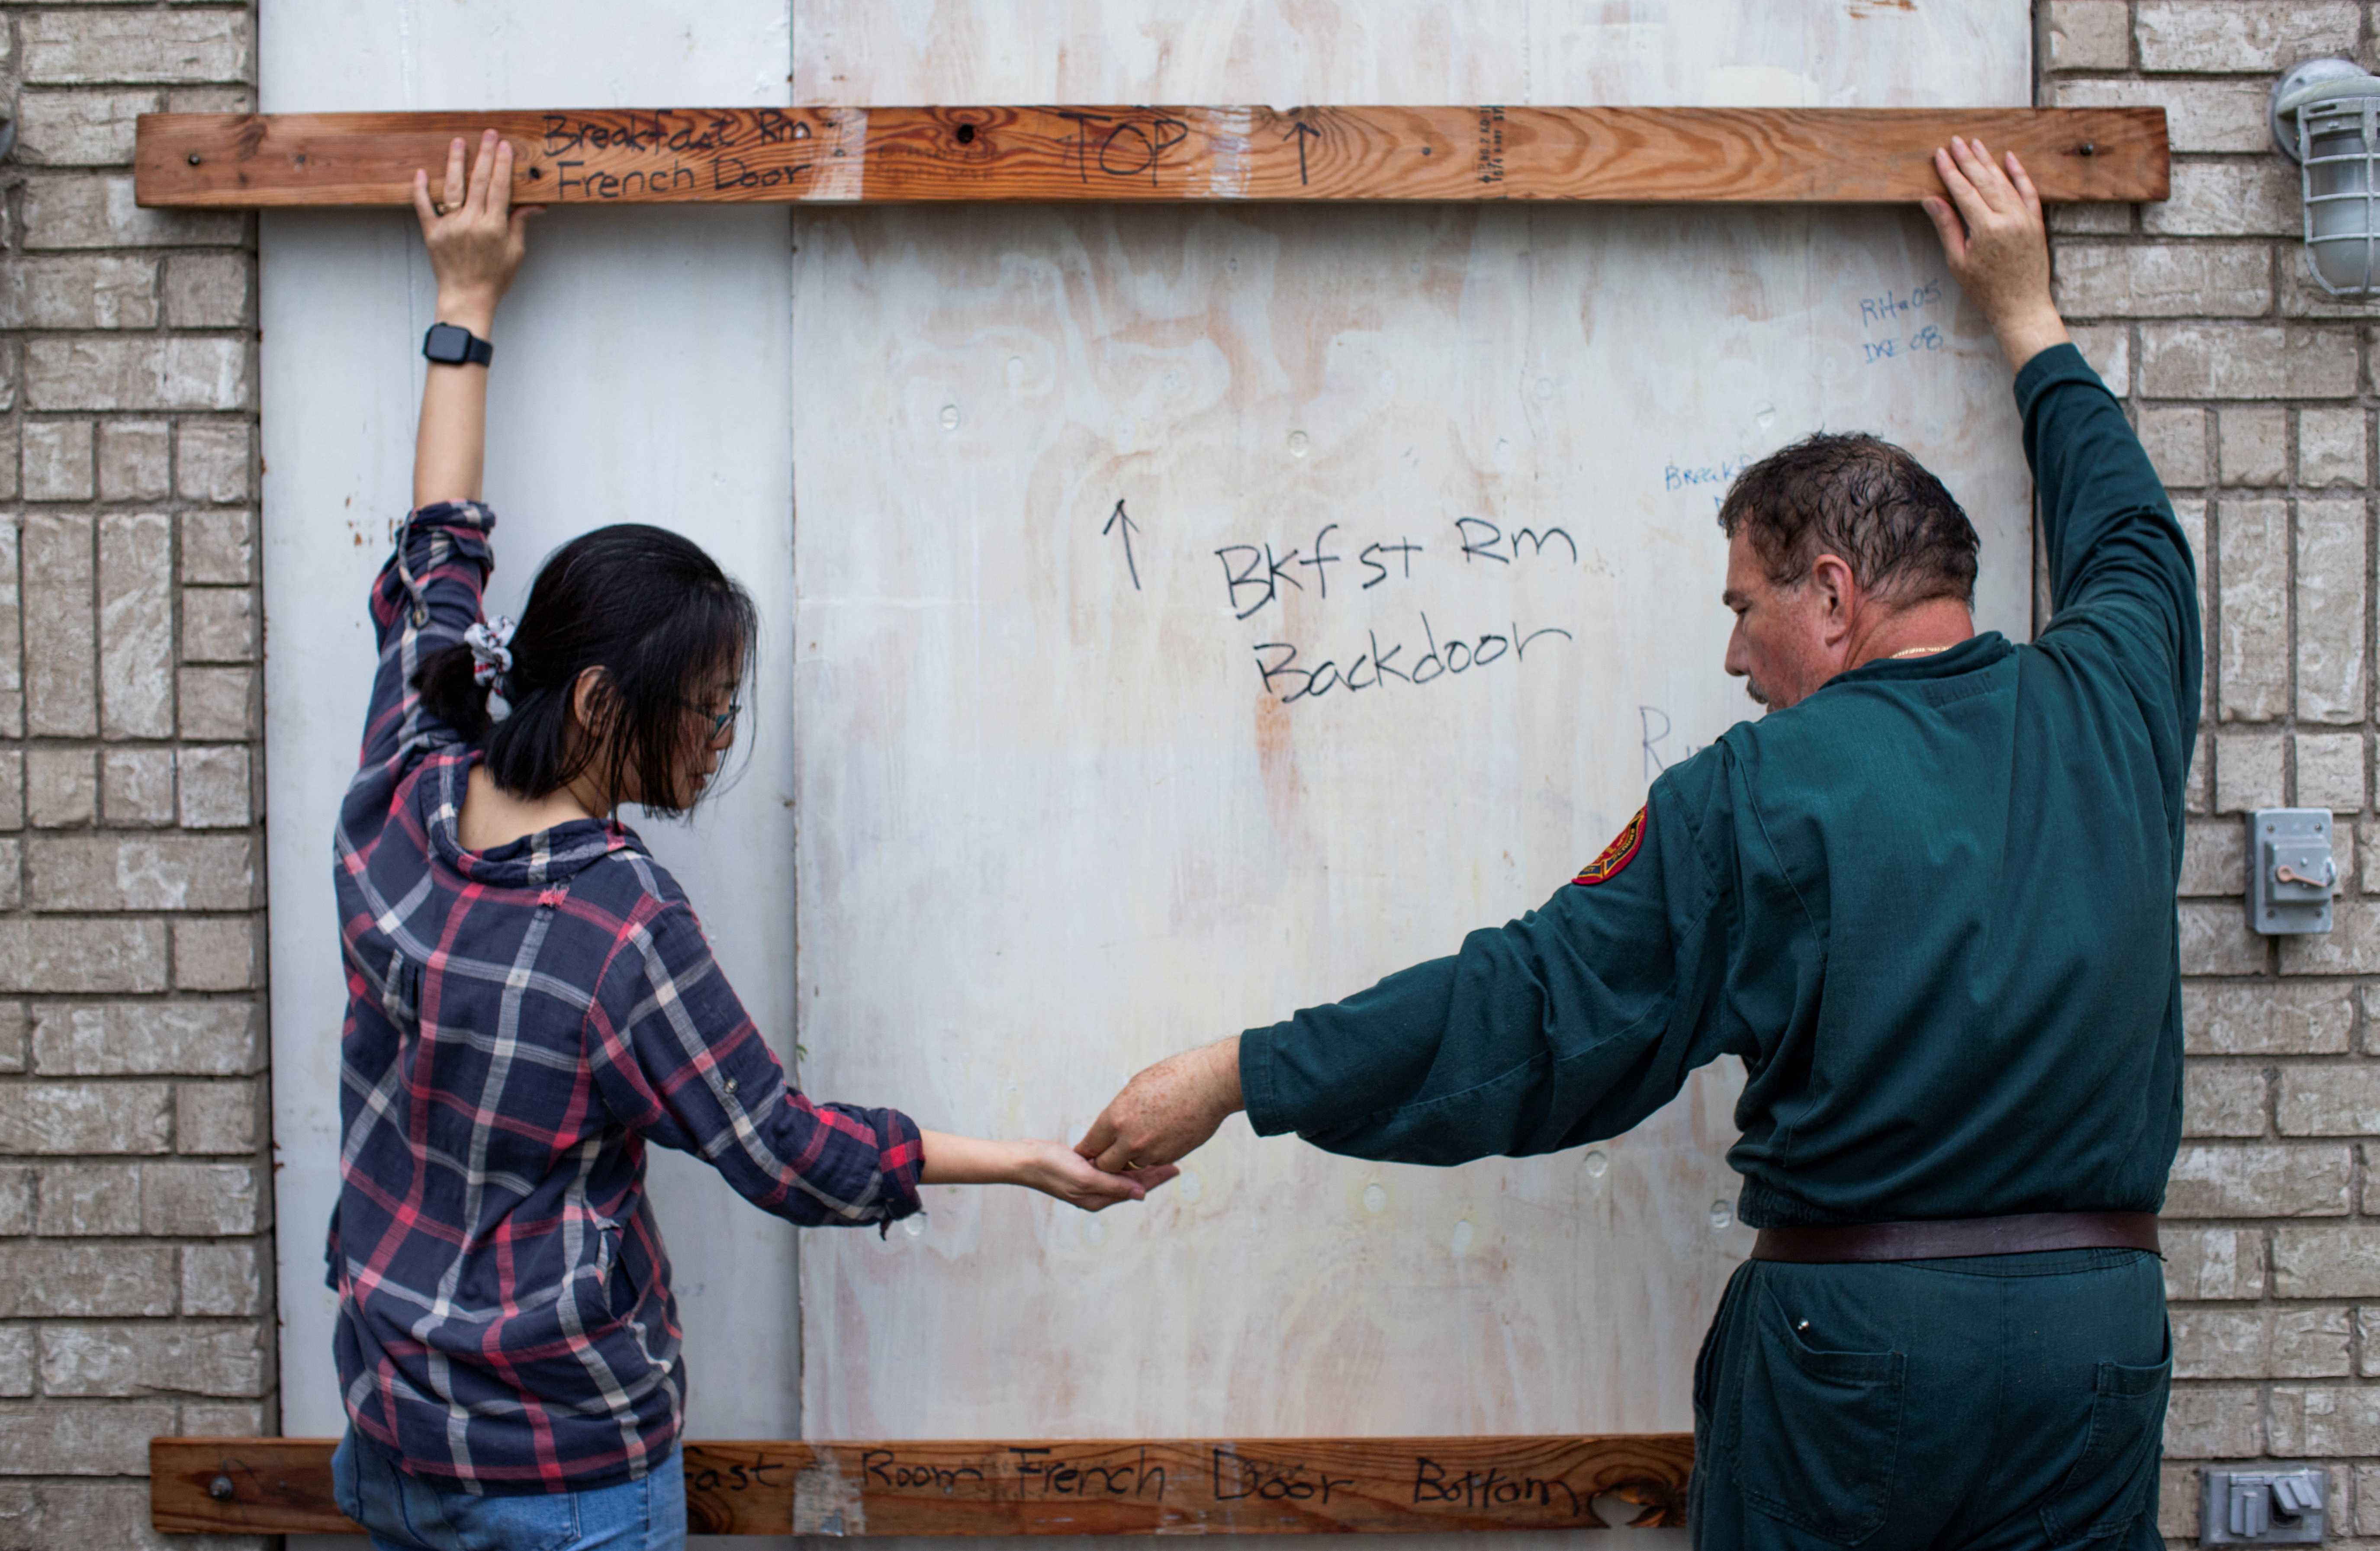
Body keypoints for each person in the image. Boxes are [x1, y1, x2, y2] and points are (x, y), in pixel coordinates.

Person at [1077, 138, 2198, 1551]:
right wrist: (2027, 316)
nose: (1731, 653)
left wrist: (1242, 1070)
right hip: (2091, 1347)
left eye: (1745, 605)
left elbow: (1529, 1016)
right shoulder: (2114, 699)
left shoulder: (1757, 788)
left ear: (1834, 592)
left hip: (1858, 1353)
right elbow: (2132, 532)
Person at [326, 132, 1175, 1551]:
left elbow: (437, 546)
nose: (717, 744)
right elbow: (785, 1150)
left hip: (396, 1437)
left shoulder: (408, 767)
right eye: (702, 713)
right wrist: (1026, 1161)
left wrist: (463, 300)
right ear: (601, 701)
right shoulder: (617, 927)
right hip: (565, 1477)